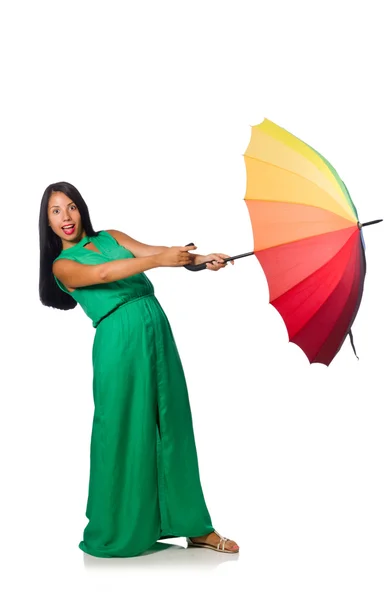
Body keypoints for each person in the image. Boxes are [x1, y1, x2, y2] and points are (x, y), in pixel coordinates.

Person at [39, 181, 239, 558]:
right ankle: (121, 526)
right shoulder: (62, 265)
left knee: (172, 424)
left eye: (70, 207)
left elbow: (159, 252)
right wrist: (158, 262)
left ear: (81, 209)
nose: (65, 217)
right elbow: (104, 275)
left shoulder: (112, 236)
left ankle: (195, 527)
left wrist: (201, 260)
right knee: (121, 429)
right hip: (119, 341)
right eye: (55, 211)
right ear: (47, 223)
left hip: (155, 329)